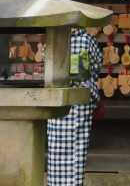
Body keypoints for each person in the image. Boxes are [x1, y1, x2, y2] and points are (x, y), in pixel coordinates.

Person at [47, 27, 103, 186]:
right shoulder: (87, 39)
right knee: (77, 143)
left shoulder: (53, 39)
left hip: (58, 95)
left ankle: (56, 183)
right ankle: (74, 182)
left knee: (56, 146)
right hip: (80, 94)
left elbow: (45, 61)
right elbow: (98, 63)